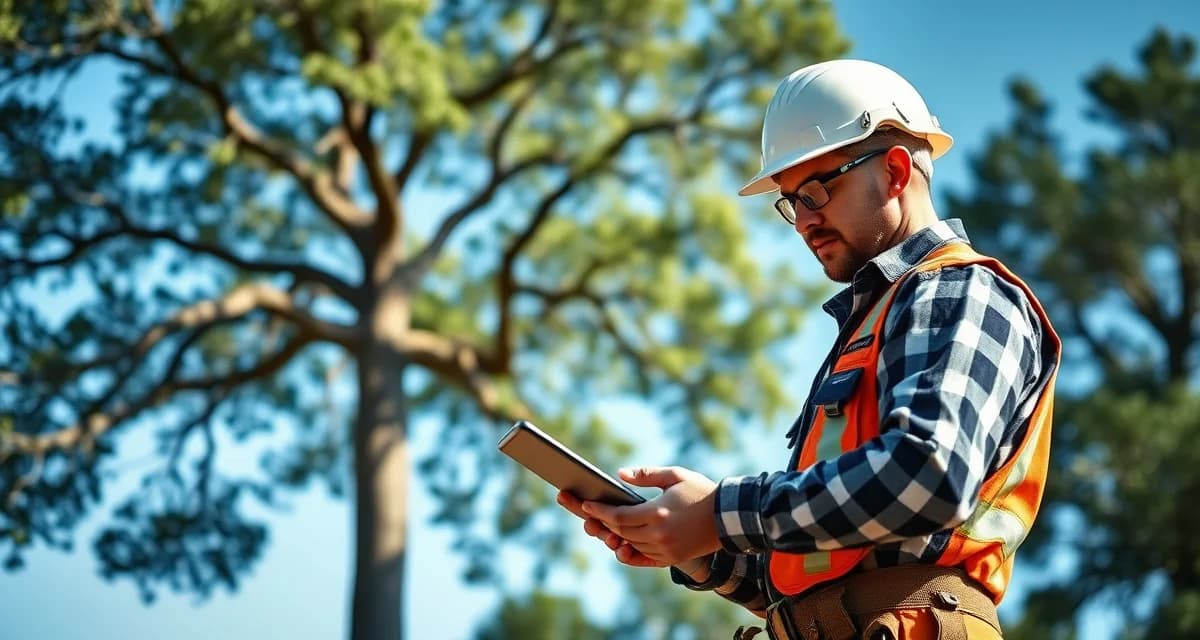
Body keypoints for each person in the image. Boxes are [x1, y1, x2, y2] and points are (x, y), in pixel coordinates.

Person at [558, 59, 1061, 640]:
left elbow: (930, 473)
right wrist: (692, 546)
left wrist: (720, 513)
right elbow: (818, 568)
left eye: (818, 190)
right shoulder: (871, 322)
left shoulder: (957, 290)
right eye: (791, 201)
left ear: (896, 172)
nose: (803, 221)